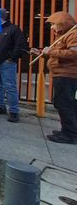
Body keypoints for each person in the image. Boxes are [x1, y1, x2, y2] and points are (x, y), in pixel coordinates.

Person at [30, 11, 77, 144]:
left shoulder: (73, 34)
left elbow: (73, 53)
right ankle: (67, 130)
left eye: (54, 24)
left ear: (62, 23)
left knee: (65, 103)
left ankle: (70, 134)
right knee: (64, 103)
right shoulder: (63, 35)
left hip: (68, 75)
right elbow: (58, 53)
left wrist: (50, 51)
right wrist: (41, 53)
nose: (52, 27)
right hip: (61, 74)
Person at [0, 9, 27, 123]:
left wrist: (11, 58)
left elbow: (20, 45)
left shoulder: (13, 29)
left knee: (9, 86)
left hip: (6, 62)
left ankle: (13, 111)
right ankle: (0, 105)